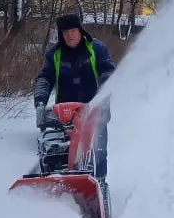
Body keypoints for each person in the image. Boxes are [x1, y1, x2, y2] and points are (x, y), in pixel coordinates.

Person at [33, 13, 116, 178]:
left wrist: (102, 92)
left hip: (94, 110)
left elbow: (108, 71)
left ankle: (99, 186)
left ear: (80, 30)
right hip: (66, 114)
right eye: (65, 32)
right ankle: (67, 189)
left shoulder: (96, 49)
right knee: (64, 154)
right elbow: (45, 78)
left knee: (96, 153)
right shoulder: (54, 55)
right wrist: (40, 101)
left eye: (73, 30)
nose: (70, 35)